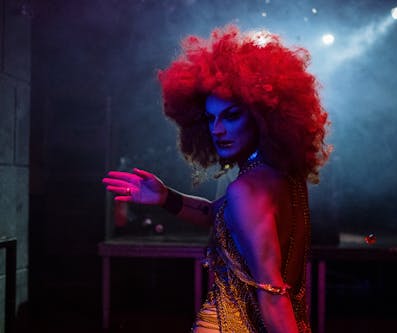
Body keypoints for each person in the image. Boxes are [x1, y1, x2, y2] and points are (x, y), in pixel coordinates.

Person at [102, 25, 331, 333]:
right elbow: (216, 213)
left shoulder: (249, 189)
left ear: (261, 115)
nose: (218, 130)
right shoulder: (280, 177)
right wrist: (165, 197)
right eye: (211, 118)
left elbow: (274, 295)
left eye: (231, 116)